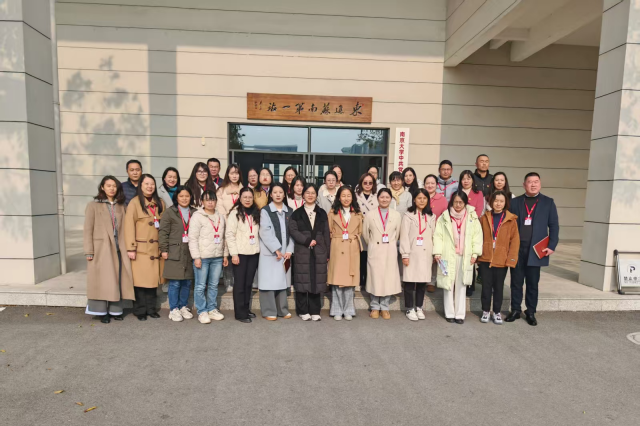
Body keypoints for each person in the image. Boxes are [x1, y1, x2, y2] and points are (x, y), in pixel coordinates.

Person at [506, 172, 559, 326]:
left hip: (536, 250)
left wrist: (551, 245)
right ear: (524, 185)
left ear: (540, 184)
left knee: (532, 283)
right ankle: (515, 310)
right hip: (517, 248)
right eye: (530, 182)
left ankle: (530, 311)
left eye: (536, 181)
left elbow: (554, 225)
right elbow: (508, 225)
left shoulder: (548, 202)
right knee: (516, 281)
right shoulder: (515, 202)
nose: (533, 184)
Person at [83, 176, 134, 323]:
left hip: (119, 248)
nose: (112, 188)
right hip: (101, 249)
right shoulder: (93, 205)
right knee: (102, 280)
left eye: (114, 186)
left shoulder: (121, 206)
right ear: (102, 187)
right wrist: (89, 251)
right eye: (108, 185)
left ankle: (115, 310)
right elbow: (87, 229)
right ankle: (101, 311)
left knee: (117, 280)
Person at [433, 191, 482, 324]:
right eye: (456, 202)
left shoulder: (472, 216)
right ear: (452, 202)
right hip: (447, 255)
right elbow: (438, 235)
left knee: (461, 285)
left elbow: (477, 236)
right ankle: (449, 313)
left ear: (465, 203)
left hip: (465, 255)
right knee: (448, 284)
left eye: (461, 202)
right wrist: (437, 252)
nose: (458, 205)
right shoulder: (444, 217)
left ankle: (460, 314)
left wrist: (475, 253)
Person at [124, 174, 165, 321]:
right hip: (141, 249)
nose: (149, 186)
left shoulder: (159, 202)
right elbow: (129, 226)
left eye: (152, 184)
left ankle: (151, 309)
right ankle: (140, 310)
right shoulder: (134, 203)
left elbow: (164, 225)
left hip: (155, 249)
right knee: (140, 282)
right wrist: (131, 248)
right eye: (146, 184)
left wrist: (164, 246)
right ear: (141, 185)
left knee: (153, 282)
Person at [290, 183, 331, 321]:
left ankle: (315, 310)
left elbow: (326, 234)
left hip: (319, 251)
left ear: (316, 195)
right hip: (303, 250)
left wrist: (327, 252)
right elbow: (293, 230)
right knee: (302, 280)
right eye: (307, 192)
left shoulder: (322, 213)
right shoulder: (297, 213)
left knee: (316, 280)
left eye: (313, 193)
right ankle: (303, 311)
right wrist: (306, 240)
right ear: (303, 195)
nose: (310, 195)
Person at [478, 191, 519, 325]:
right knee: (486, 287)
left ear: (505, 203)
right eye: (496, 201)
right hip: (486, 258)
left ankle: (496, 312)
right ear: (491, 202)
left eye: (501, 201)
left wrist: (511, 259)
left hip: (501, 259)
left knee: (498, 287)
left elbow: (515, 241)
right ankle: (485, 311)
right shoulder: (484, 218)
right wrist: (477, 255)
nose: (498, 204)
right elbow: (478, 237)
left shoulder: (511, 220)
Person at [188, 190, 229, 324]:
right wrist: (196, 257)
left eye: (212, 200)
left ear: (216, 201)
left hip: (217, 256)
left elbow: (224, 237)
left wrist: (225, 254)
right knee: (200, 285)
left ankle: (212, 309)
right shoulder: (197, 216)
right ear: (202, 202)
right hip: (203, 257)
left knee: (213, 285)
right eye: (207, 200)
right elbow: (192, 238)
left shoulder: (220, 216)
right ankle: (202, 311)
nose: (210, 202)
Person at [363, 188, 402, 319]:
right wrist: (373, 244)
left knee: (388, 278)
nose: (384, 199)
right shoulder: (370, 215)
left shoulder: (396, 215)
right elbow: (365, 234)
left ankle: (385, 306)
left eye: (387, 197)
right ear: (377, 198)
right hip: (375, 249)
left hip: (389, 250)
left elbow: (397, 233)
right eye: (382, 197)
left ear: (391, 199)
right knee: (375, 278)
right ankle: (375, 306)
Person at [159, 186, 196, 322]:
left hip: (190, 252)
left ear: (191, 197)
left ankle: (183, 306)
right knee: (175, 282)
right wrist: (163, 249)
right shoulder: (170, 212)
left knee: (187, 281)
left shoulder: (195, 212)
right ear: (176, 197)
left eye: (187, 196)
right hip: (174, 251)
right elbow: (163, 232)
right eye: (181, 196)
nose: (184, 199)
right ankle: (173, 308)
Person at [257, 183, 294, 320]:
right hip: (270, 252)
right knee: (268, 281)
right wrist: (276, 249)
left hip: (285, 253)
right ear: (270, 194)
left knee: (281, 281)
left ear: (284, 194)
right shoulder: (265, 211)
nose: (278, 194)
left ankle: (282, 309)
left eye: (281, 192)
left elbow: (293, 232)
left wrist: (289, 250)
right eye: (275, 192)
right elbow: (265, 231)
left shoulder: (289, 211)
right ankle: (269, 310)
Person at [399, 189, 436, 321]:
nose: (422, 201)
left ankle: (419, 307)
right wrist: (405, 254)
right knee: (409, 282)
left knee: (422, 282)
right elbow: (404, 236)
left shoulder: (431, 216)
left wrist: (435, 252)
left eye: (424, 198)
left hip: (426, 253)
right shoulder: (408, 215)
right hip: (412, 253)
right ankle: (409, 308)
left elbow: (434, 235)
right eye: (419, 198)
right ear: (414, 200)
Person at [327, 187, 363, 321]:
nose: (346, 198)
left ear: (352, 197)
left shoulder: (358, 213)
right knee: (337, 280)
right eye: (343, 196)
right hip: (337, 247)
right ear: (339, 197)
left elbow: (360, 231)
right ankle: (336, 309)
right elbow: (328, 230)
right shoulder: (332, 212)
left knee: (350, 281)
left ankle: (348, 309)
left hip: (352, 248)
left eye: (349, 195)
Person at [226, 187, 261, 323]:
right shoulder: (235, 213)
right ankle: (240, 313)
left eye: (250, 197)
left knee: (248, 283)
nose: (247, 199)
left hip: (253, 252)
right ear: (240, 198)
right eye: (245, 197)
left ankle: (246, 309)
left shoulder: (256, 212)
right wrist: (234, 254)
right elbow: (230, 235)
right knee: (240, 284)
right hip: (240, 253)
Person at [459, 169, 486, 297]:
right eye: (463, 179)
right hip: (458, 227)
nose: (466, 181)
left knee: (470, 256)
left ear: (473, 180)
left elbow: (479, 210)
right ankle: (459, 283)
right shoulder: (456, 193)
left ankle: (470, 285)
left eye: (468, 178)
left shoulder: (478, 193)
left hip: (472, 226)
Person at [423, 174, 448, 293]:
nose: (430, 185)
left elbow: (445, 216)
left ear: (436, 185)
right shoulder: (420, 196)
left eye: (432, 183)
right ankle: (421, 279)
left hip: (436, 232)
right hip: (422, 231)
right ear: (424, 185)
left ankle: (431, 281)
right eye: (427, 183)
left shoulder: (442, 199)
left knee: (434, 255)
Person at [355, 173, 378, 289]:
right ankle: (360, 281)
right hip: (359, 230)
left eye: (370, 183)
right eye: (365, 182)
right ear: (361, 183)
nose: (368, 185)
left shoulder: (377, 196)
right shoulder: (355, 196)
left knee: (372, 257)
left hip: (373, 230)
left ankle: (370, 282)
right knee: (360, 258)